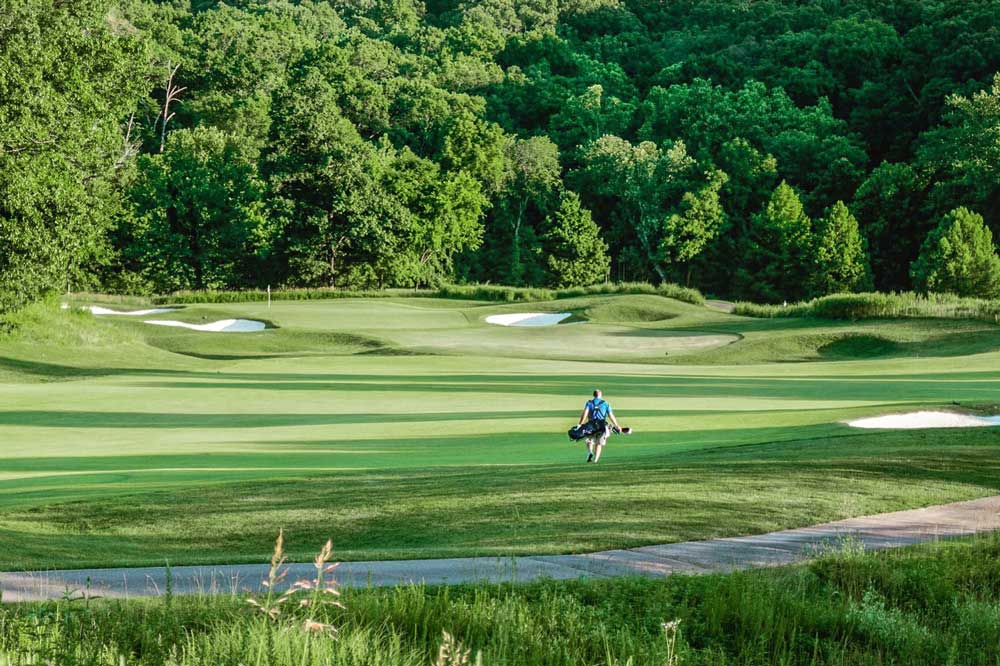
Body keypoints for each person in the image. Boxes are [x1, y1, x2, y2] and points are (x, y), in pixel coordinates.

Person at [578, 389, 622, 463]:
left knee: (589, 441)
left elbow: (585, 414)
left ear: (593, 395)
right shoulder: (605, 403)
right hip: (601, 425)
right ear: (601, 395)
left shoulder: (589, 403)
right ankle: (595, 460)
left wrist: (580, 424)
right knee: (599, 443)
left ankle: (590, 452)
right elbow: (611, 415)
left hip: (591, 425)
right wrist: (616, 425)